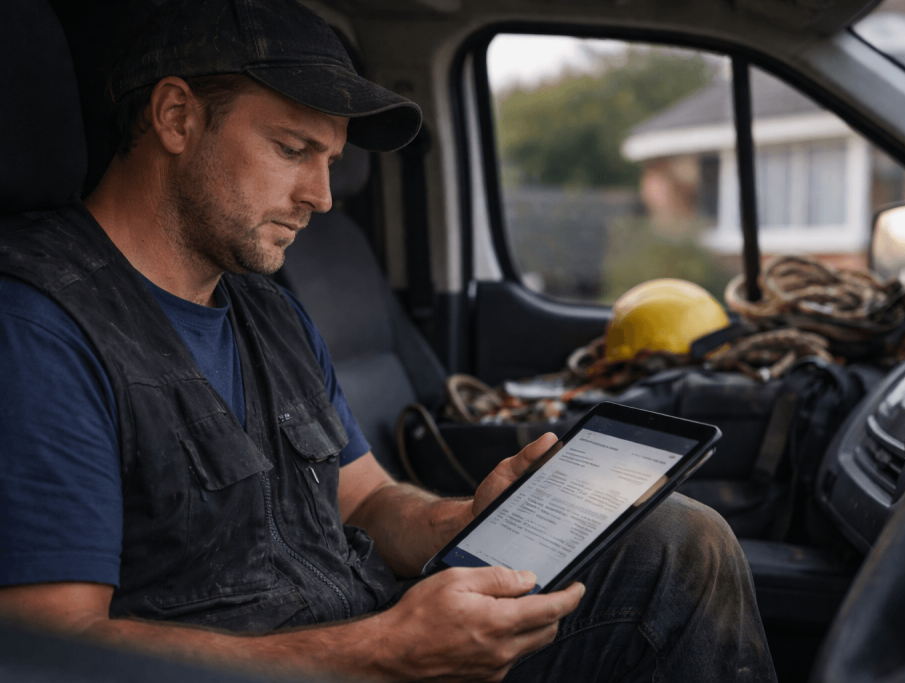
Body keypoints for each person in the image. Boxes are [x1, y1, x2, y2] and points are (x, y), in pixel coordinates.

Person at [0, 0, 776, 680]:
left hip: (365, 637)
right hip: (326, 662)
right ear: (176, 117)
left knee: (675, 544)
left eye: (331, 161)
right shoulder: (39, 326)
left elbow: (365, 498)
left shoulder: (267, 310)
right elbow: (53, 652)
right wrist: (383, 651)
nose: (323, 196)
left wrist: (468, 520)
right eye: (293, 148)